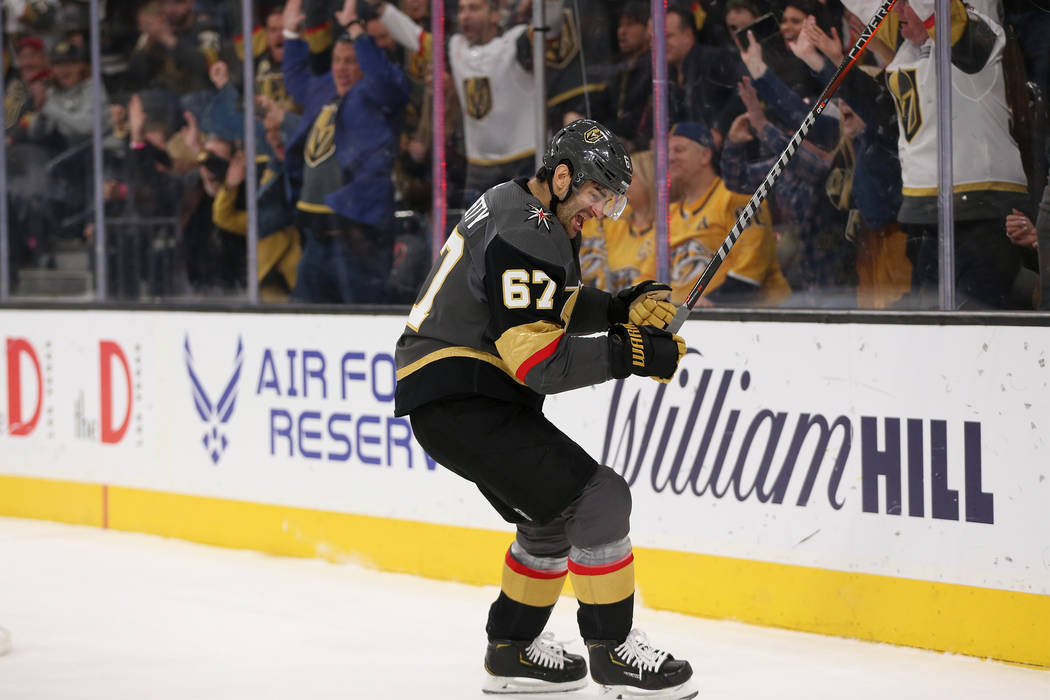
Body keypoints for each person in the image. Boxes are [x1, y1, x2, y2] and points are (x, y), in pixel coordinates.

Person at [394, 119, 696, 699]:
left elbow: (543, 303)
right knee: (601, 496)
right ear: (561, 177)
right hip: (467, 397)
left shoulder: (517, 208)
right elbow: (539, 364)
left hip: (453, 395)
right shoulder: (527, 233)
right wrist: (630, 351)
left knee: (548, 517)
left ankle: (511, 649)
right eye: (594, 196)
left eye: (609, 203)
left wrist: (619, 309)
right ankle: (614, 653)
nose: (600, 212)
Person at [882, 0, 1031, 308]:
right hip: (929, 216)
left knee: (977, 332)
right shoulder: (909, 54)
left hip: (983, 215)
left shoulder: (976, 37)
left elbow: (950, 19)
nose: (896, 11)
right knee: (928, 336)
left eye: (906, 3)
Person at [281, 0, 410, 303]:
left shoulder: (373, 95)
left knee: (360, 318)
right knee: (301, 322)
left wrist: (355, 28)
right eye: (337, 60)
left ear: (365, 63)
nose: (342, 68)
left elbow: (384, 81)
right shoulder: (324, 90)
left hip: (357, 241)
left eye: (351, 61)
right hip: (315, 240)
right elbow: (296, 77)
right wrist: (289, 33)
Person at [668, 120, 791, 306]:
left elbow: (749, 275)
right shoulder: (671, 213)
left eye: (679, 150)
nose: (670, 157)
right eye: (667, 152)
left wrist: (706, 303)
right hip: (690, 322)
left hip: (759, 321)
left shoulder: (738, 198)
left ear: (705, 155)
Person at [579, 148, 657, 292]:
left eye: (631, 178)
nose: (622, 185)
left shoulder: (668, 227)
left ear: (649, 178)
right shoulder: (615, 224)